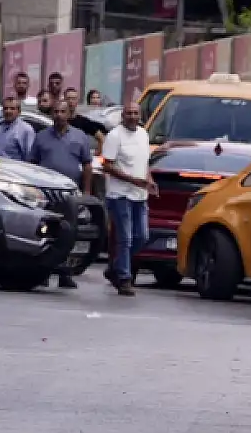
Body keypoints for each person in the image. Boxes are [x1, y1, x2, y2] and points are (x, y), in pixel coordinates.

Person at [27, 101, 95, 289]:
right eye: (55, 112)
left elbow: (87, 165)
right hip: (45, 193)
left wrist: (87, 192)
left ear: (69, 114)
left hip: (70, 194)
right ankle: (44, 272)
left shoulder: (80, 137)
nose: (58, 115)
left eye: (62, 112)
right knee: (46, 232)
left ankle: (65, 273)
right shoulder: (41, 137)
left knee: (69, 233)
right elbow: (32, 164)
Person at [100, 101, 156, 296]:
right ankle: (124, 277)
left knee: (142, 237)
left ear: (140, 115)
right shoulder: (115, 136)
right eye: (129, 113)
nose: (132, 116)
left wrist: (149, 180)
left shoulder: (143, 134)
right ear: (123, 116)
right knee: (125, 239)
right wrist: (132, 180)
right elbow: (106, 165)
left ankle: (115, 267)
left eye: (135, 113)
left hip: (140, 195)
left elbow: (145, 163)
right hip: (120, 194)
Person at [0, 95, 37, 162]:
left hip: (14, 170)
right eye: (5, 108)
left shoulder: (26, 130)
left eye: (12, 108)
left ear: (19, 112)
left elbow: (29, 158)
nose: (8, 111)